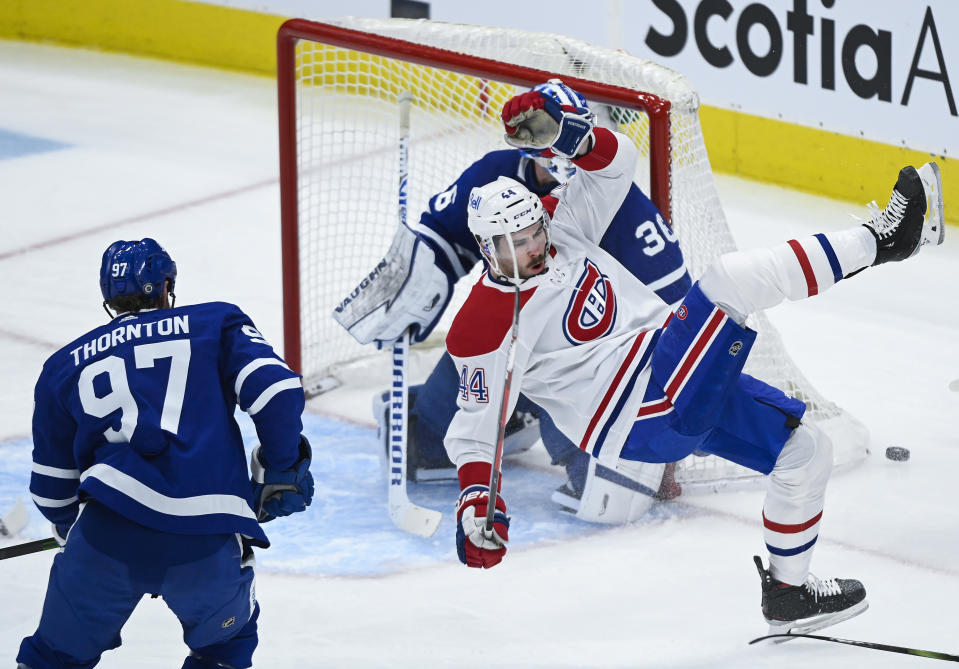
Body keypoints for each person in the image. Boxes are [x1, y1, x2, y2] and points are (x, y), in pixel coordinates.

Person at [445, 84, 944, 636]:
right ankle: (887, 239)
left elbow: (617, 167)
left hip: (663, 372)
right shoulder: (483, 324)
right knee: (731, 281)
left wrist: (569, 137)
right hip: (640, 412)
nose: (533, 245)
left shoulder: (563, 231)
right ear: (487, 248)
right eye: (515, 241)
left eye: (533, 229)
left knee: (805, 453)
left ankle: (789, 594)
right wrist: (475, 504)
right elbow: (475, 430)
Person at [334, 80, 690, 518]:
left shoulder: (615, 204)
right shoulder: (496, 180)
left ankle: (557, 425)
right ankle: (485, 413)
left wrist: (664, 428)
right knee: (424, 444)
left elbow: (676, 322)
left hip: (600, 363)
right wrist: (413, 284)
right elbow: (443, 236)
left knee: (612, 496)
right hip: (522, 339)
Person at [16, 239, 314, 669]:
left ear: (108, 299)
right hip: (206, 539)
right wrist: (280, 469)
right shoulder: (215, 321)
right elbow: (278, 392)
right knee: (225, 651)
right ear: (167, 285)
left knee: (51, 660)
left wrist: (70, 531)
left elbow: (50, 490)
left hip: (104, 538)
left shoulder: (63, 367)